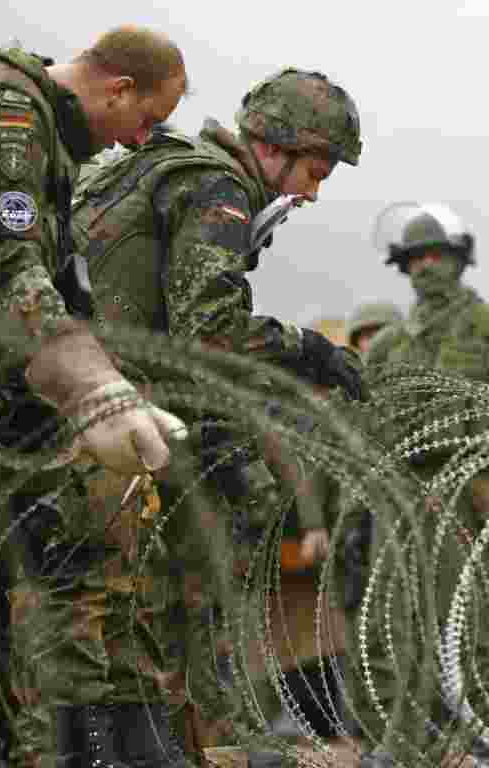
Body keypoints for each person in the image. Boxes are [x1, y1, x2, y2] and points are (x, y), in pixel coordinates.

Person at [68, 67, 366, 766]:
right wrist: (310, 349)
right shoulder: (218, 190)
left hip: (86, 401)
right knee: (209, 567)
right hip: (126, 413)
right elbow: (209, 330)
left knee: (115, 603)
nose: (311, 192)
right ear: (274, 146)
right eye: (313, 170)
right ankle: (214, 739)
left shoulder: (148, 167)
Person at [0, 28, 189, 768]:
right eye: (146, 121)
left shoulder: (44, 137)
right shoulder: (6, 117)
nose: (141, 140)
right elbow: (11, 272)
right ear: (117, 89)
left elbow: (45, 288)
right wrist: (96, 392)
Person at [359, 202, 489, 768]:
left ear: (458, 261)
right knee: (396, 619)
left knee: (477, 615)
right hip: (404, 489)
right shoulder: (391, 344)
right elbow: (366, 419)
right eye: (415, 258)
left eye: (436, 256)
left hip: (476, 488)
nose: (426, 267)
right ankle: (406, 737)